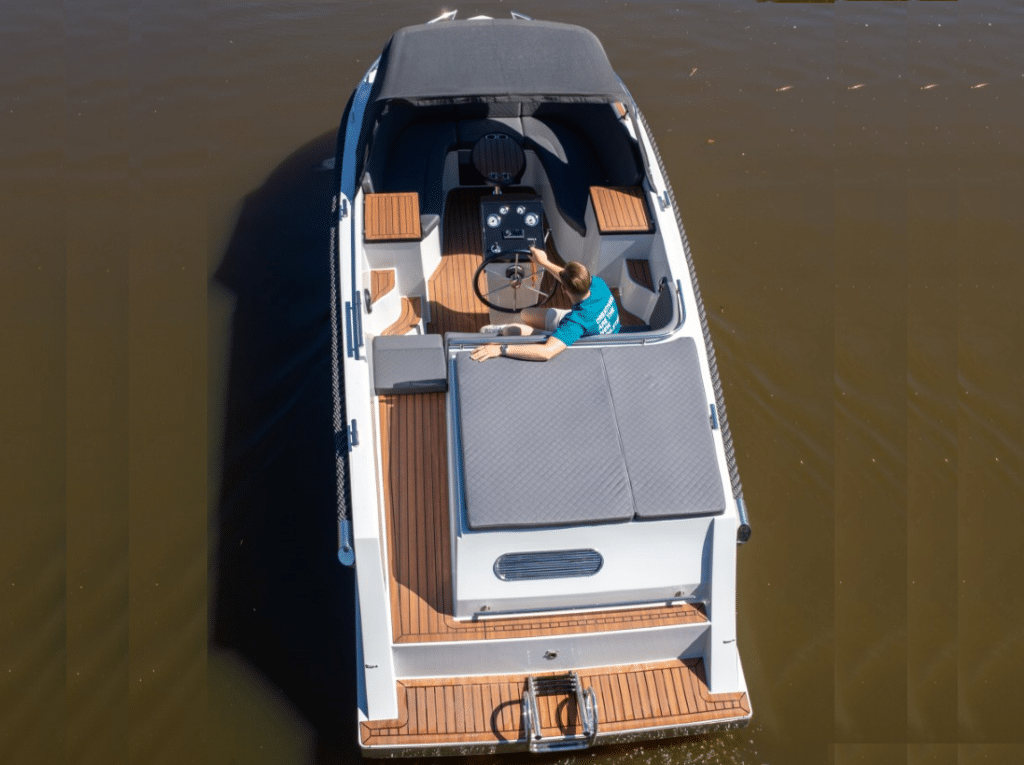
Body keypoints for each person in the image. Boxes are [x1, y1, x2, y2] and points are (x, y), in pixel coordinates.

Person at [471, 245, 620, 362]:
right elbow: (567, 278)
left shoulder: (575, 323)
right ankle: (508, 330)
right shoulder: (598, 285)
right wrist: (544, 262)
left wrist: (500, 349)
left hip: (579, 336)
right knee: (526, 313)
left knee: (512, 331)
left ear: (563, 289)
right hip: (591, 325)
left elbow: (546, 353)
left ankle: (502, 331)